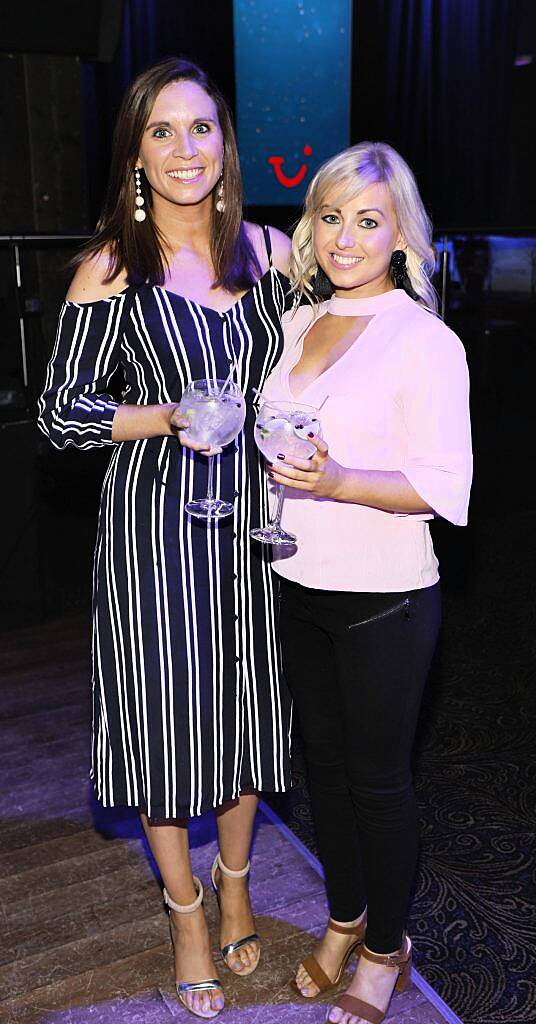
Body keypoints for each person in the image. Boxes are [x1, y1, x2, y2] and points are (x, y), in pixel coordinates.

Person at [38, 57, 292, 1020]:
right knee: (165, 727)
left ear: (226, 145)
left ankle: (235, 880)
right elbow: (61, 416)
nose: (185, 150)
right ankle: (185, 909)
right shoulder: (111, 266)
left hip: (257, 535)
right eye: (161, 132)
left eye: (202, 129)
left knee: (246, 717)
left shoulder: (269, 252)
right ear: (135, 155)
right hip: (152, 534)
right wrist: (168, 415)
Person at [261, 141, 472, 1024]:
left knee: (379, 783)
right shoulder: (301, 323)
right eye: (331, 216)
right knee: (325, 767)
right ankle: (345, 916)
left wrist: (342, 481)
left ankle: (387, 947)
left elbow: (445, 488)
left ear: (401, 235)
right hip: (295, 579)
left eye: (368, 220)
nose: (345, 237)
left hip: (382, 595)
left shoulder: (425, 339)